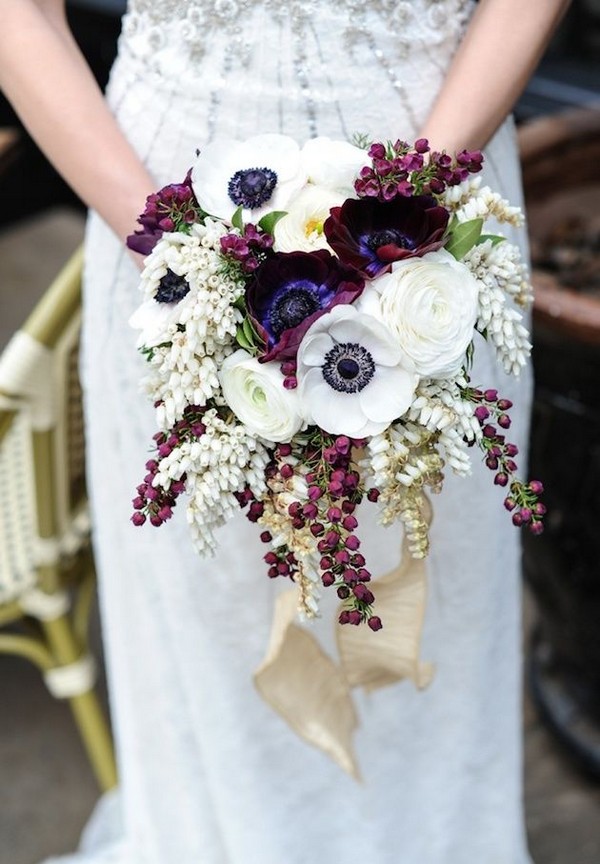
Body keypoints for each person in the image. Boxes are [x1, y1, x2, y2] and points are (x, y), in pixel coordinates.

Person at [0, 2, 570, 863]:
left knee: (437, 599)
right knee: (210, 631)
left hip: (434, 182)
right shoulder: (166, 243)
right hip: (159, 201)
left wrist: (403, 218)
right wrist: (175, 252)